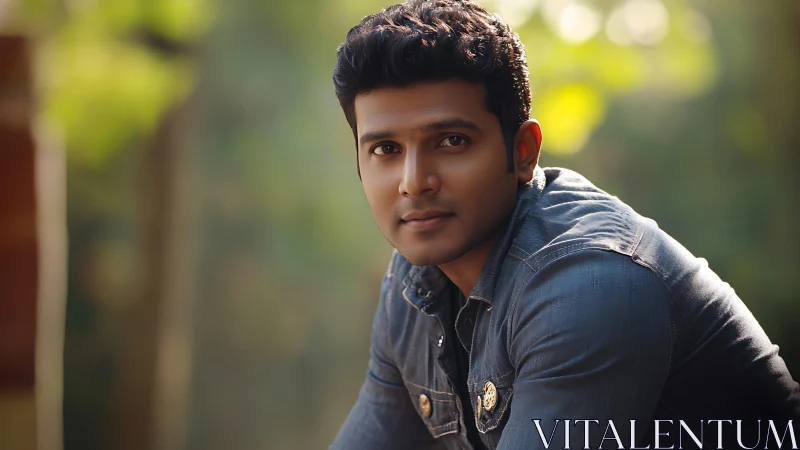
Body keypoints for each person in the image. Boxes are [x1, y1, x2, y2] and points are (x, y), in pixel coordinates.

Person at [329, 1, 800, 449]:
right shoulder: (414, 285)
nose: (414, 183)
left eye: (452, 141)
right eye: (385, 150)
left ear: (523, 152)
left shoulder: (591, 287)